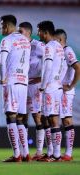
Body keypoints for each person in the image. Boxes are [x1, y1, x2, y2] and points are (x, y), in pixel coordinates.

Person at [0, 15, 31, 162]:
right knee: (20, 118)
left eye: (1, 26)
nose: (1, 29)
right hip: (23, 82)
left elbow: (3, 61)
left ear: (6, 25)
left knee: (10, 116)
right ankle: (26, 154)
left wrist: (2, 78)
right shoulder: (25, 40)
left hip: (11, 81)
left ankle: (17, 155)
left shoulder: (7, 40)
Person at [37, 21, 67, 162]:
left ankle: (56, 154)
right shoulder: (59, 47)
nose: (38, 34)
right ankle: (53, 153)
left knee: (52, 120)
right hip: (57, 86)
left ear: (45, 32)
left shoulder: (49, 47)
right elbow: (64, 67)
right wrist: (58, 80)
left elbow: (48, 67)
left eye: (39, 31)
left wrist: (43, 86)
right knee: (52, 118)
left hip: (49, 87)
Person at [18, 22, 46, 160]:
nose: (18, 34)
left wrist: (42, 78)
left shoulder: (38, 46)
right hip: (23, 84)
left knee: (37, 117)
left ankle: (39, 151)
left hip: (36, 85)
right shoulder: (19, 46)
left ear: (28, 32)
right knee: (22, 117)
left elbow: (51, 61)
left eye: (21, 31)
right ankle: (24, 152)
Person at [54, 29, 80, 161]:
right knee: (56, 119)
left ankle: (68, 153)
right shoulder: (58, 52)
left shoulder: (67, 51)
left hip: (65, 91)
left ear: (59, 40)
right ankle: (55, 153)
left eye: (54, 40)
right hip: (58, 90)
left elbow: (78, 67)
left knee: (66, 120)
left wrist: (70, 86)